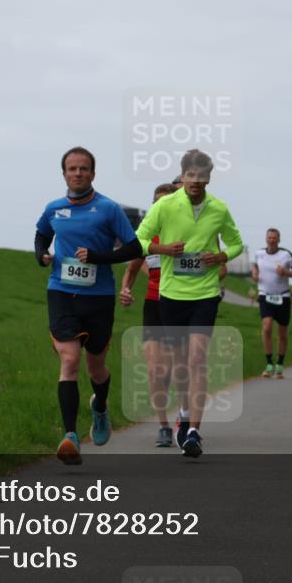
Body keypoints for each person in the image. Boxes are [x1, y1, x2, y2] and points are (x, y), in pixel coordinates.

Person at [35, 147, 143, 465]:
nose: (78, 173)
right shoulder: (54, 208)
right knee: (69, 360)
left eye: (84, 169)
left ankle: (100, 407)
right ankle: (70, 436)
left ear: (93, 174)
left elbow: (134, 249)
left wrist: (98, 257)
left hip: (98, 297)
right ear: (64, 173)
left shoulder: (108, 209)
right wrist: (40, 255)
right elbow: (41, 236)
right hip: (62, 292)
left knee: (95, 366)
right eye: (72, 168)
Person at [135, 149, 244, 458]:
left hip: (205, 294)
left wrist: (221, 256)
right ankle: (183, 413)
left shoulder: (219, 209)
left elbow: (237, 244)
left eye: (201, 175)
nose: (196, 181)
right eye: (190, 175)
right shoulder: (166, 206)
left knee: (197, 359)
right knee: (181, 363)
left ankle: (194, 430)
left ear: (208, 178)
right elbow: (138, 241)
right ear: (182, 177)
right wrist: (164, 249)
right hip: (171, 295)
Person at [120, 183, 181, 447]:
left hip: (180, 305)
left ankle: (184, 417)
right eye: (157, 203)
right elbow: (132, 269)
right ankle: (164, 426)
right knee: (156, 369)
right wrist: (125, 290)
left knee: (176, 368)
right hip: (154, 306)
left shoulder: (186, 235)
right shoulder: (146, 238)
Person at [251, 228, 292, 378]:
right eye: (269, 237)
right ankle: (269, 364)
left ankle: (279, 364)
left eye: (274, 238)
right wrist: (254, 273)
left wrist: (286, 273)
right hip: (265, 295)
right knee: (266, 327)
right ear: (266, 239)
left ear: (279, 240)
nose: (272, 240)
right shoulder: (259, 253)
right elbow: (255, 265)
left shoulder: (286, 255)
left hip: (283, 297)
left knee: (282, 333)